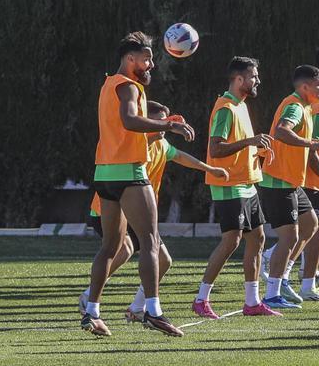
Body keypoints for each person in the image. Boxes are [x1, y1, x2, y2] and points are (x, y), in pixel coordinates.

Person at [84, 32, 194, 337]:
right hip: (129, 173)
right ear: (130, 59)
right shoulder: (128, 86)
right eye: (146, 59)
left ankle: (91, 311)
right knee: (150, 242)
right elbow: (130, 121)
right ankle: (153, 312)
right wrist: (169, 124)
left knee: (110, 247)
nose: (151, 65)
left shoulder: (108, 84)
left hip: (105, 175)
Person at [80, 101, 227, 321]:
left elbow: (181, 157)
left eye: (165, 122)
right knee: (124, 248)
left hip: (136, 213)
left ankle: (137, 307)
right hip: (107, 209)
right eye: (159, 122)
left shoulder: (162, 145)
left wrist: (210, 169)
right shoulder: (135, 144)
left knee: (164, 260)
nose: (165, 126)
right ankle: (91, 297)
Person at [192, 57, 280, 318]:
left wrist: (258, 150)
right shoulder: (225, 109)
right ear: (239, 79)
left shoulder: (240, 106)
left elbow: (239, 144)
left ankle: (252, 302)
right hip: (228, 184)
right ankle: (201, 299)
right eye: (254, 76)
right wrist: (249, 141)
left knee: (259, 238)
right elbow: (215, 149)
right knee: (231, 241)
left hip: (247, 183)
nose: (258, 81)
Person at [257, 65, 319, 309]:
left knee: (311, 224)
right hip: (278, 181)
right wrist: (312, 143)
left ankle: (282, 278)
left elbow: (302, 144)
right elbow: (282, 131)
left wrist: (315, 145)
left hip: (291, 182)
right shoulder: (294, 106)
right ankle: (272, 293)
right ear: (304, 87)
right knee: (289, 236)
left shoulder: (306, 108)